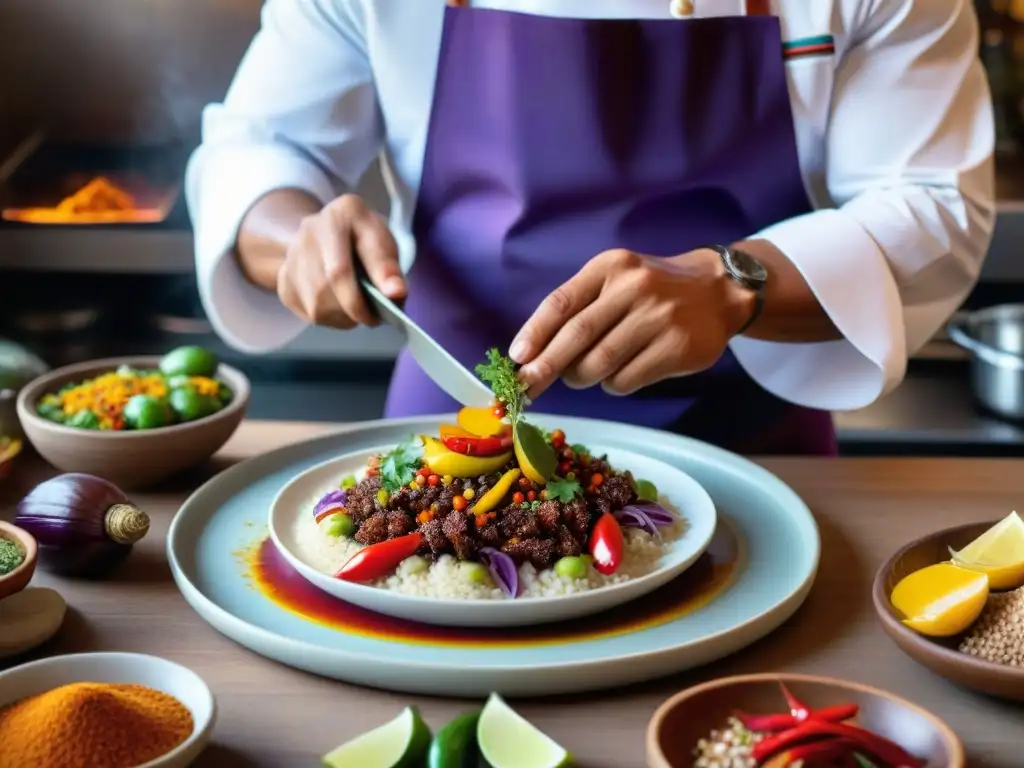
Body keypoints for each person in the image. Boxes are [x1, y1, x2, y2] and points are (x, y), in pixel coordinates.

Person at [186, 0, 995, 455]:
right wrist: (298, 241)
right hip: (449, 436)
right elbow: (261, 150)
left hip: (754, 451)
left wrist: (735, 281)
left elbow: (935, 201)